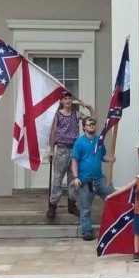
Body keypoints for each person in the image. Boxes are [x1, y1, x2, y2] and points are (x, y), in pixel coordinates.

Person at [47, 91, 94, 219]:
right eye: (65, 99)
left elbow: (91, 122)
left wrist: (89, 108)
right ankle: (53, 205)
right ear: (61, 101)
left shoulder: (76, 114)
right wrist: (51, 149)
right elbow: (53, 133)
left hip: (74, 149)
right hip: (62, 149)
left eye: (69, 99)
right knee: (57, 179)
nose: (68, 101)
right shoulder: (57, 115)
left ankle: (72, 205)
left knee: (73, 179)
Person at [71, 117, 116, 241]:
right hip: (85, 181)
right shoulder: (79, 143)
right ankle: (87, 231)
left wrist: (110, 159)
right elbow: (74, 160)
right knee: (85, 208)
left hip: (100, 180)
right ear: (84, 127)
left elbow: (103, 157)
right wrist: (75, 177)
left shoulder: (99, 141)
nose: (92, 125)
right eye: (89, 124)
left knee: (114, 198)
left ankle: (116, 224)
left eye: (93, 123)